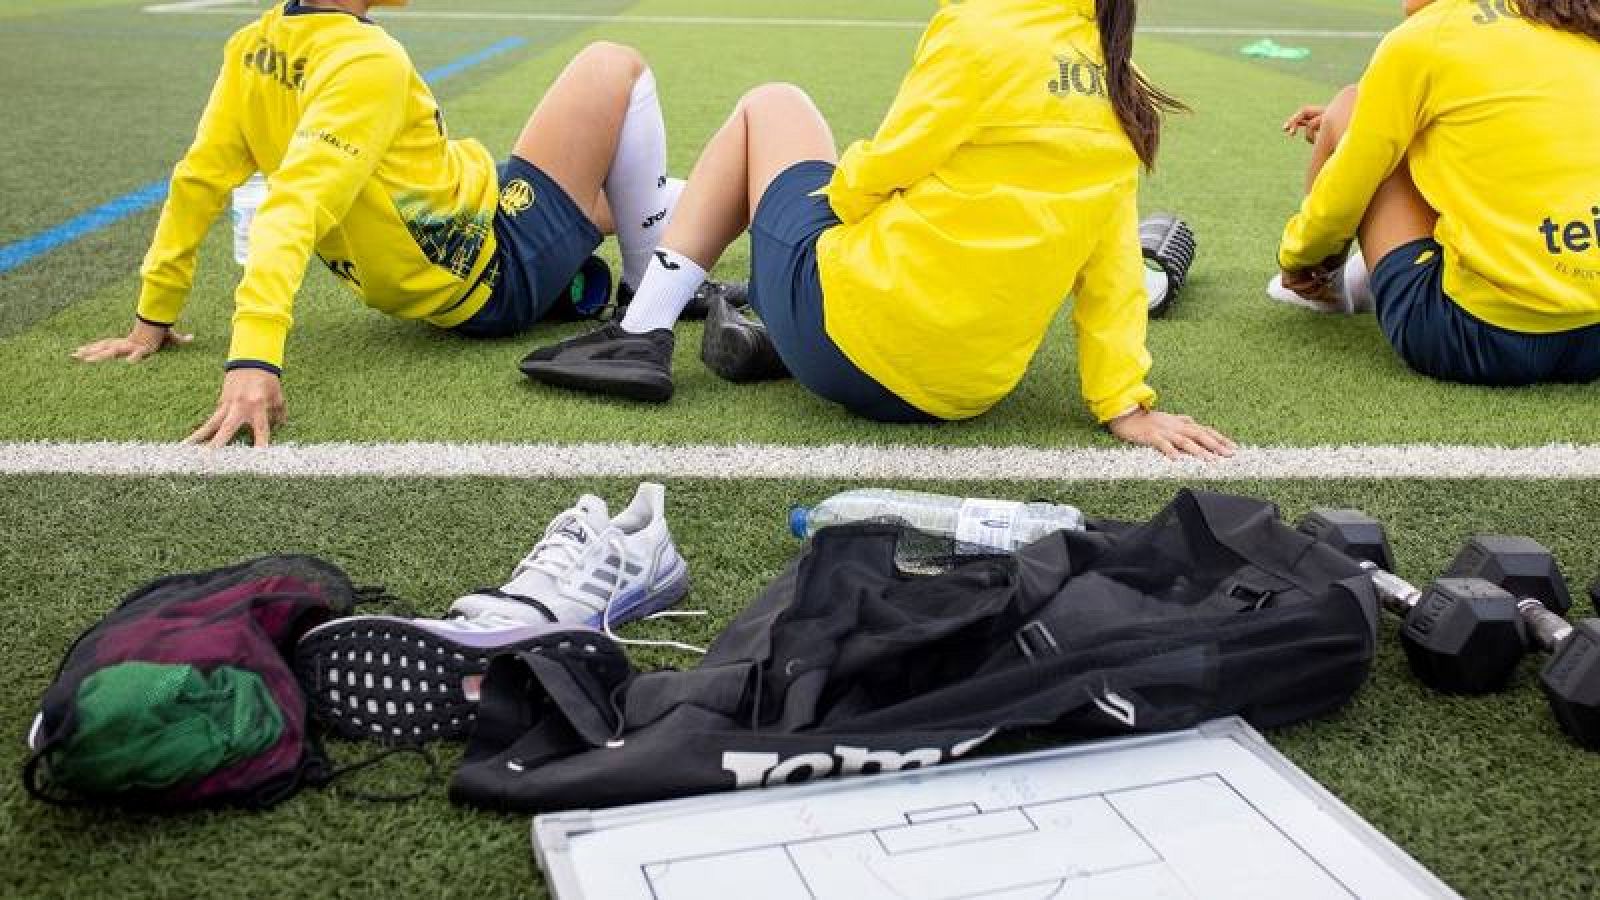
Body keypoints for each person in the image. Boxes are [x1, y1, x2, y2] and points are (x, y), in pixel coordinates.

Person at [521, 0, 1235, 461]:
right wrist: (1124, 404)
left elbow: (877, 173)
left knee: (773, 106)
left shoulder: (980, 27)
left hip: (849, 339)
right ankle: (768, 325)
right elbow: (1111, 268)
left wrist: (819, 206)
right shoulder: (1120, 76)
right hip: (963, 393)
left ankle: (643, 332)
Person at [72, 0, 696, 447]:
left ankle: (703, 215)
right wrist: (252, 361)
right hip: (490, 269)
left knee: (612, 188)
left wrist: (153, 315)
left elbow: (195, 184)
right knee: (613, 65)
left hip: (459, 216)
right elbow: (291, 208)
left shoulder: (252, 48)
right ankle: (646, 287)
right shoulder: (368, 59)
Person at [1273, 0, 1600, 385]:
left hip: (1476, 338)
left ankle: (1324, 286)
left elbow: (1343, 190)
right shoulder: (1575, 17)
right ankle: (1378, 270)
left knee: (1350, 107)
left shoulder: (1427, 36)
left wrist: (1298, 256)